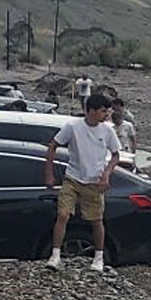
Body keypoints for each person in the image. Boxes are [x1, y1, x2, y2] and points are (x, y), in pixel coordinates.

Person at [44, 92, 122, 272]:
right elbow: (53, 145)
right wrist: (49, 174)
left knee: (96, 220)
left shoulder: (107, 130)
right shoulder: (72, 126)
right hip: (72, 178)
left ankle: (99, 257)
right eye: (103, 111)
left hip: (95, 181)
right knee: (63, 214)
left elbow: (115, 154)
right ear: (92, 111)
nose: (106, 115)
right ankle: (55, 255)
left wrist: (106, 174)